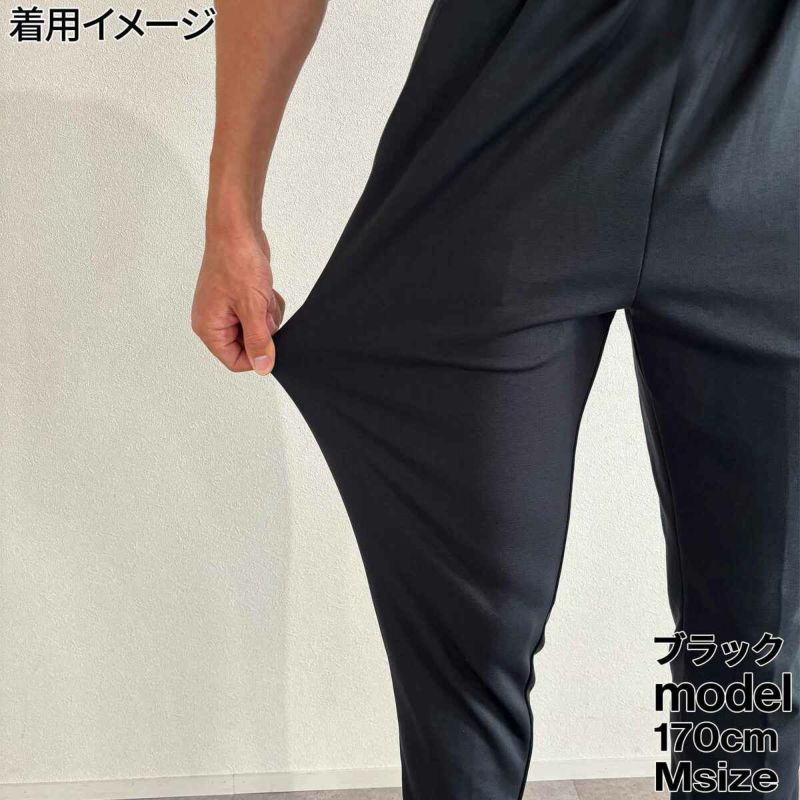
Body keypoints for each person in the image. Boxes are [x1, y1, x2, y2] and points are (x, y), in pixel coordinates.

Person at [191, 1, 800, 797]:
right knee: (467, 642)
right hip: (513, 143)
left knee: (756, 649)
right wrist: (231, 213)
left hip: (776, 156)